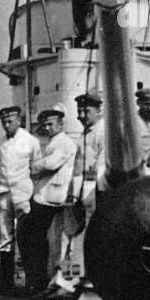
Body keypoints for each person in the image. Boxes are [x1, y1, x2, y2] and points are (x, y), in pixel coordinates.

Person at [19, 104, 76, 297]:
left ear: (61, 124)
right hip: (46, 195)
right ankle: (41, 281)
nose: (47, 128)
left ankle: (39, 282)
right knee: (37, 236)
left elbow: (50, 164)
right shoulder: (53, 142)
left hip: (52, 197)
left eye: (51, 124)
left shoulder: (64, 143)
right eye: (45, 125)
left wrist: (31, 166)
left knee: (29, 234)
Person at [58, 89, 105, 286]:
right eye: (79, 111)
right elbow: (78, 167)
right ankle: (67, 278)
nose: (80, 116)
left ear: (99, 110)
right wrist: (72, 193)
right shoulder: (86, 133)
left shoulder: (102, 133)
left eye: (86, 111)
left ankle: (77, 278)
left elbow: (100, 168)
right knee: (68, 236)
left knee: (83, 238)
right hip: (79, 191)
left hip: (92, 192)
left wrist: (87, 196)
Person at [0, 105, 41, 292]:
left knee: (26, 238)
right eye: (3, 122)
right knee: (4, 238)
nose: (6, 125)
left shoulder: (30, 141)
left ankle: (32, 282)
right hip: (3, 193)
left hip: (23, 193)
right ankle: (7, 282)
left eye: (9, 121)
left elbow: (36, 168)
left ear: (18, 121)